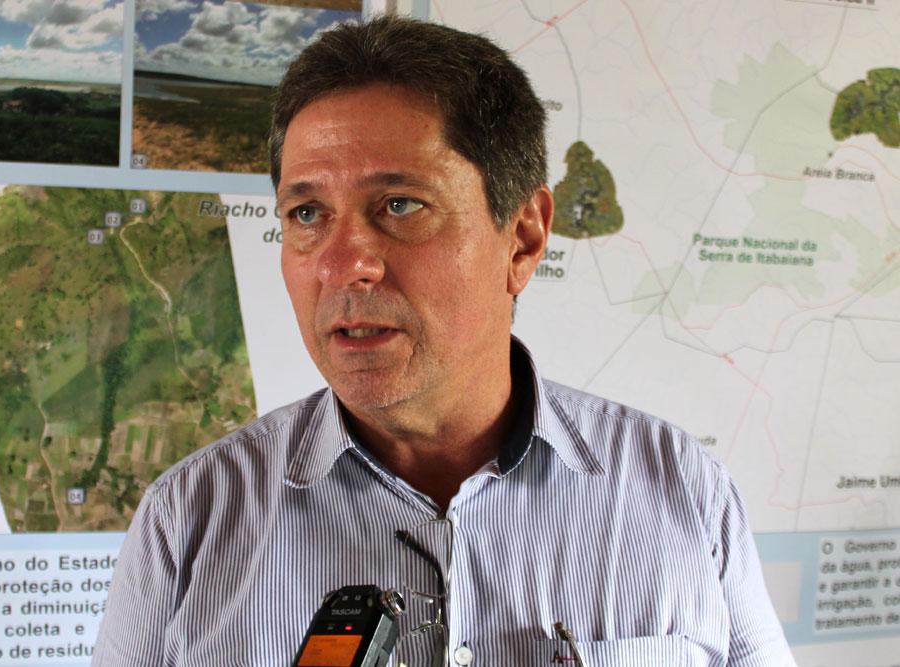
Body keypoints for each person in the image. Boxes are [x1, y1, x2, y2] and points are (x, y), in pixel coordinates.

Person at [92, 15, 795, 666]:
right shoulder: (187, 523)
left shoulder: (684, 492)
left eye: (400, 205)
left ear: (523, 238)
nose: (344, 264)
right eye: (307, 213)